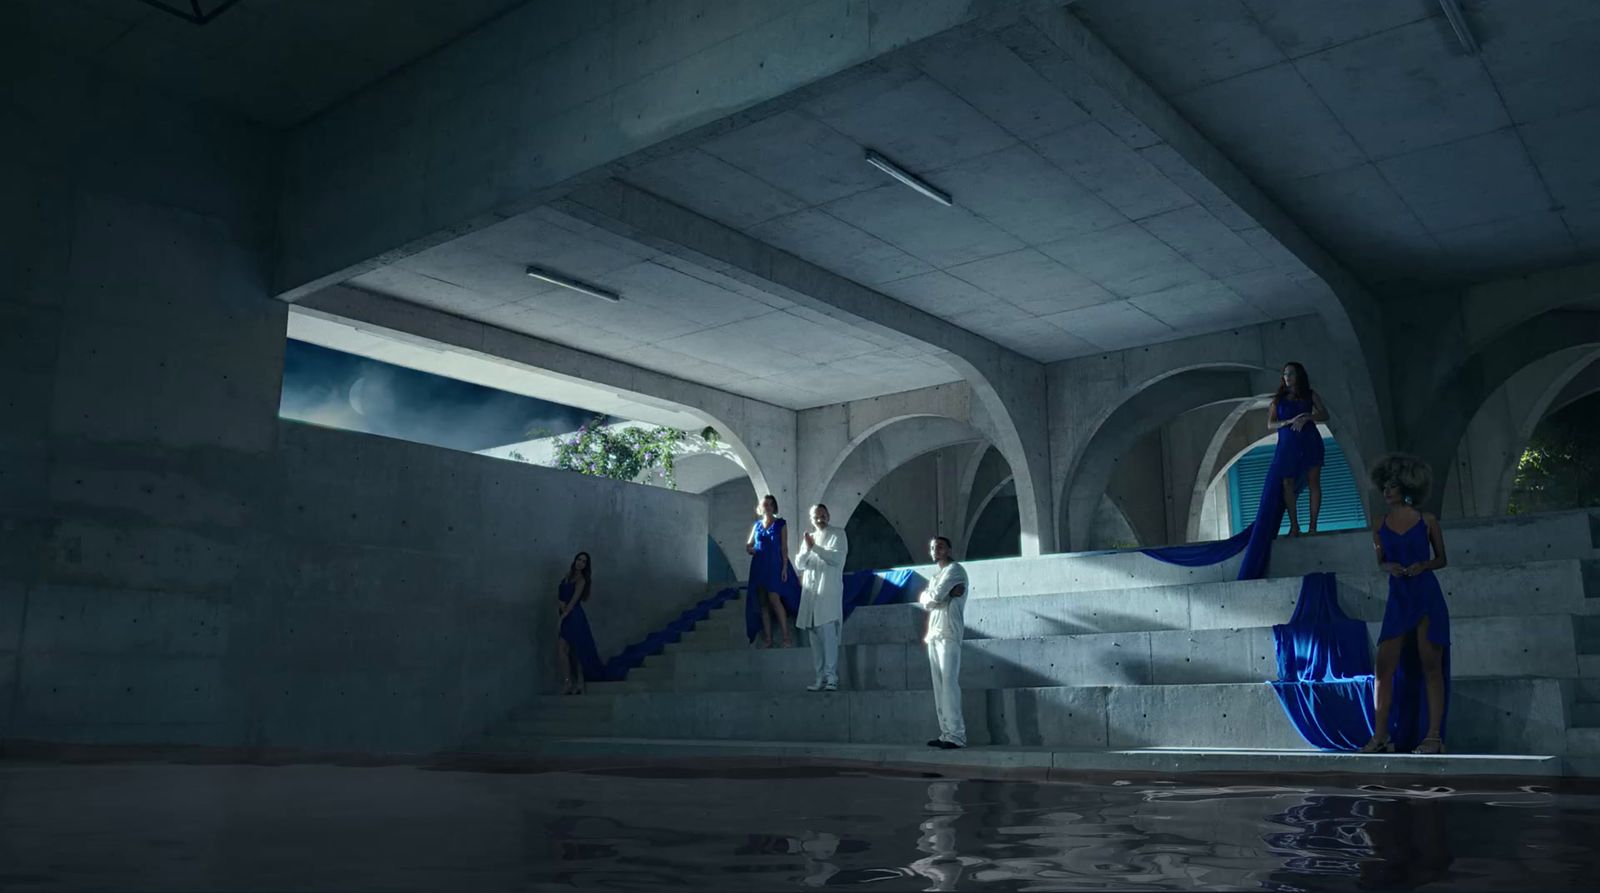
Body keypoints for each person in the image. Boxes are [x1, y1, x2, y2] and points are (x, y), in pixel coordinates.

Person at [1360, 454, 1451, 755]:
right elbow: (1381, 560)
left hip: (1425, 595)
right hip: (1398, 597)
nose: (1387, 491)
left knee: (1431, 665)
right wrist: (1390, 567)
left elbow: (1442, 559)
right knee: (1383, 668)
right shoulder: (1378, 524)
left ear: (1407, 487)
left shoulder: (1427, 520)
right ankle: (1380, 735)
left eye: (1393, 486)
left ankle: (1434, 736)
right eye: (1385, 486)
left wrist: (1423, 565)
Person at [1267, 361, 1329, 536]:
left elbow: (1325, 414)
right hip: (1287, 444)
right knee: (1287, 483)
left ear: (1299, 375)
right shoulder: (1277, 400)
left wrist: (1309, 417)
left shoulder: (1310, 394)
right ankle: (1294, 526)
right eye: (1285, 374)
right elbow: (1270, 423)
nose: (1287, 377)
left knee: (1313, 482)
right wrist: (1288, 421)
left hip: (1310, 441)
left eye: (1291, 373)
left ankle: (1313, 526)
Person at [919, 536, 969, 749]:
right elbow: (926, 600)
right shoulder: (935, 575)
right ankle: (945, 733)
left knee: (949, 684)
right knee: (939, 686)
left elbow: (936, 596)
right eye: (932, 547)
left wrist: (937, 595)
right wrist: (936, 595)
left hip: (949, 632)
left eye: (940, 546)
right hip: (934, 633)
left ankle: (957, 735)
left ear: (948, 549)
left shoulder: (955, 570)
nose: (935, 550)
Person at [794, 503, 848, 691]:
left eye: (823, 515)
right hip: (811, 596)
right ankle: (820, 678)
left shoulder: (838, 534)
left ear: (828, 515)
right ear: (811, 519)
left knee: (829, 636)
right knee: (815, 639)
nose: (820, 519)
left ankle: (831, 677)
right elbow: (800, 563)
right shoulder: (809, 538)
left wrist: (814, 548)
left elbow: (836, 558)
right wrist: (808, 549)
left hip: (828, 595)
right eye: (816, 516)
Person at [746, 494, 796, 648]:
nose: (767, 507)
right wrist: (751, 549)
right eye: (764, 504)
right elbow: (749, 544)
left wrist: (785, 567)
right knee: (763, 603)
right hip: (759, 565)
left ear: (774, 507)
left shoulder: (781, 524)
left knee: (774, 598)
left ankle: (786, 636)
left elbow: (784, 546)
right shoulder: (757, 525)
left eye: (769, 504)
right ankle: (768, 639)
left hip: (775, 564)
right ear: (760, 507)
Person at [556, 551, 604, 694]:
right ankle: (568, 682)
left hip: (574, 616)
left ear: (586, 565)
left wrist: (561, 618)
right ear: (574, 560)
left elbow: (574, 601)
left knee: (577, 651)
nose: (580, 563)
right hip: (565, 613)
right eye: (579, 559)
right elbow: (560, 596)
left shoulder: (581, 580)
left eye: (584, 561)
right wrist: (560, 607)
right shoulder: (567, 575)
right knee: (562, 650)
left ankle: (580, 684)